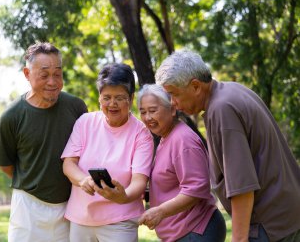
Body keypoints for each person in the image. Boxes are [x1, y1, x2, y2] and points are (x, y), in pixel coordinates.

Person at [155, 49, 300, 242]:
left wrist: (238, 239)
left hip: (270, 225)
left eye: (174, 94)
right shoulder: (232, 90)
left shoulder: (221, 110)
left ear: (196, 86)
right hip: (288, 216)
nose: (173, 103)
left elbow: (242, 186)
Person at [0, 42, 87, 242]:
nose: (52, 82)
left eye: (58, 74)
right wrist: (36, 181)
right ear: (27, 74)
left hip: (70, 206)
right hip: (28, 207)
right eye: (44, 75)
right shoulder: (11, 118)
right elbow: (7, 165)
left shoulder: (76, 107)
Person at [61, 63, 154, 242]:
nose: (112, 104)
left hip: (121, 221)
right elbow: (68, 163)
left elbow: (139, 181)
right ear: (99, 98)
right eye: (107, 97)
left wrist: (124, 196)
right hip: (81, 219)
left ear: (131, 98)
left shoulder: (141, 134)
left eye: (119, 97)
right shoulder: (85, 122)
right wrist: (83, 180)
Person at [137, 84, 226, 242]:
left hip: (196, 230)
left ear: (172, 109)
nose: (147, 117)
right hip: (181, 232)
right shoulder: (166, 137)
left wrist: (160, 212)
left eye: (152, 110)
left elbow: (196, 189)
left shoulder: (182, 140)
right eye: (143, 112)